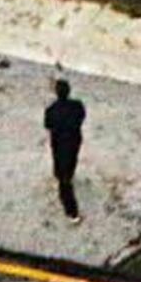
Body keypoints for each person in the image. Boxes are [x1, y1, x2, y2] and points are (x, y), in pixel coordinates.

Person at [44, 78, 88, 221]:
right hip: (73, 140)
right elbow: (81, 117)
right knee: (70, 165)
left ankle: (71, 210)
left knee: (62, 174)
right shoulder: (77, 106)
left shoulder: (51, 109)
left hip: (58, 142)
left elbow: (47, 124)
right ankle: (70, 207)